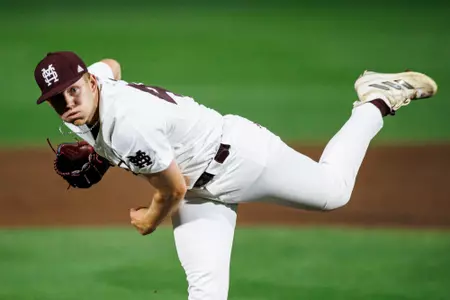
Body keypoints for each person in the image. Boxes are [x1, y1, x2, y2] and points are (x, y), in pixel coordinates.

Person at [34, 51, 438, 300]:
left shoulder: (128, 126)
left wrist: (147, 221)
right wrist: (105, 155)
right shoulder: (90, 94)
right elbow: (113, 65)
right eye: (57, 98)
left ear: (88, 81)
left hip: (241, 157)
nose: (68, 103)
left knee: (335, 192)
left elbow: (171, 190)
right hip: (198, 192)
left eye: (74, 90)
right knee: (206, 290)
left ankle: (377, 99)